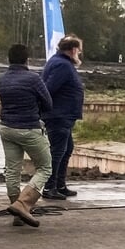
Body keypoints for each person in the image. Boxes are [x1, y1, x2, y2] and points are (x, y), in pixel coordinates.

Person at [0, 43, 54, 227]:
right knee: (45, 167)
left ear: (9, 59)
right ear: (27, 60)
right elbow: (48, 103)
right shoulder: (33, 79)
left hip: (6, 128)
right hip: (29, 128)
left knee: (12, 171)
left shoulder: (1, 79)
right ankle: (23, 204)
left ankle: (16, 212)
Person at [40, 34, 85, 200]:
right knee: (58, 151)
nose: (79, 54)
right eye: (78, 50)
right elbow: (48, 89)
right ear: (73, 50)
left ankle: (60, 184)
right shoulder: (62, 66)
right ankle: (49, 187)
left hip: (63, 115)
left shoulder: (59, 62)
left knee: (66, 149)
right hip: (59, 115)